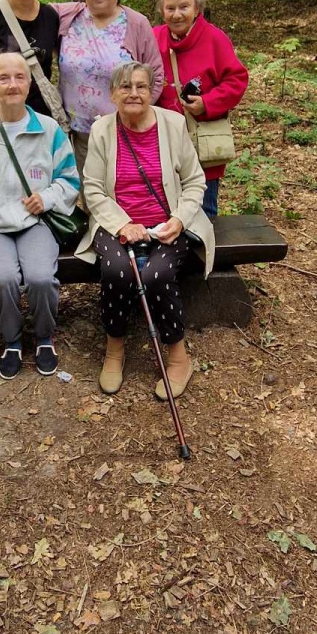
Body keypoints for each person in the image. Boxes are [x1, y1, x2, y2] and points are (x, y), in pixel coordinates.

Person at [76, 61, 214, 400]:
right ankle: (114, 348)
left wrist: (179, 220)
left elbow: (195, 181)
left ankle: (179, 358)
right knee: (119, 270)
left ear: (151, 91)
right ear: (112, 94)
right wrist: (123, 224)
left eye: (141, 86)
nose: (133, 93)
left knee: (156, 274)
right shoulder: (102, 130)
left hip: (168, 222)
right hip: (116, 221)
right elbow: (92, 187)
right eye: (125, 87)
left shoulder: (174, 124)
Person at [0, 0, 164, 177]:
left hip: (124, 132)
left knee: (126, 196)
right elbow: (24, 3)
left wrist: (137, 114)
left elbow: (156, 76)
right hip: (78, 134)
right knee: (87, 197)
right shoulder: (66, 15)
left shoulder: (136, 23)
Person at [0, 52, 80, 380]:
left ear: (29, 83)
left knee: (39, 277)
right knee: (3, 278)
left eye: (19, 77)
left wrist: (47, 197)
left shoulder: (48, 129)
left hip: (34, 223)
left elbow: (69, 180)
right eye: (3, 78)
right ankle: (11, 339)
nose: (12, 84)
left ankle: (44, 336)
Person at [153, 0, 248, 218]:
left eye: (183, 7)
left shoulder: (215, 39)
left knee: (202, 214)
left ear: (197, 9)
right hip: (163, 143)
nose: (176, 14)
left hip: (201, 142)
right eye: (170, 8)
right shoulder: (154, 38)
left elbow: (237, 79)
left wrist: (207, 103)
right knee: (166, 214)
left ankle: (205, 254)